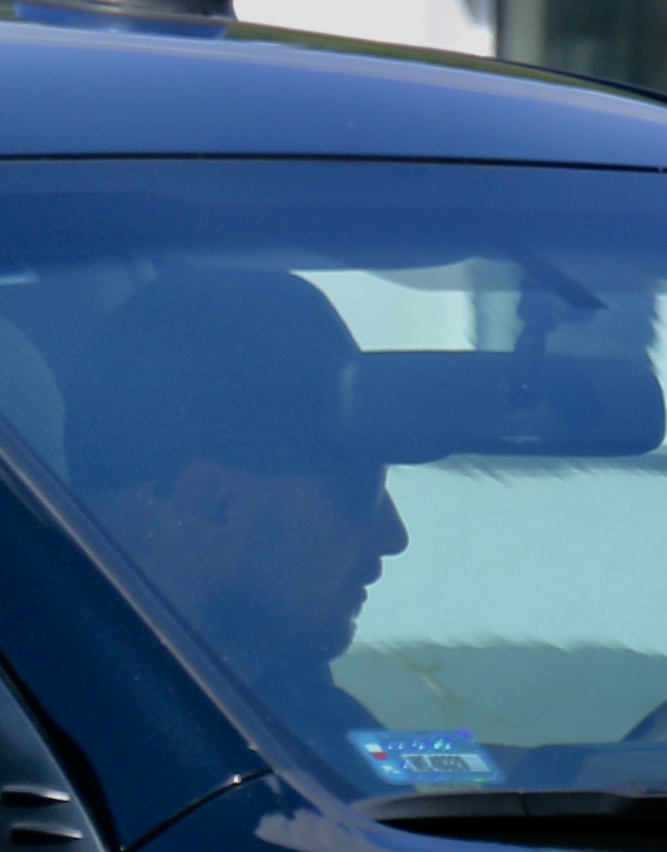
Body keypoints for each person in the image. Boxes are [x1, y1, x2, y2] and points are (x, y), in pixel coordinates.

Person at [59, 264, 412, 759]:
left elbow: (432, 769)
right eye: (355, 499)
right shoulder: (46, 741)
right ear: (209, 499)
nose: (395, 538)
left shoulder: (304, 714)